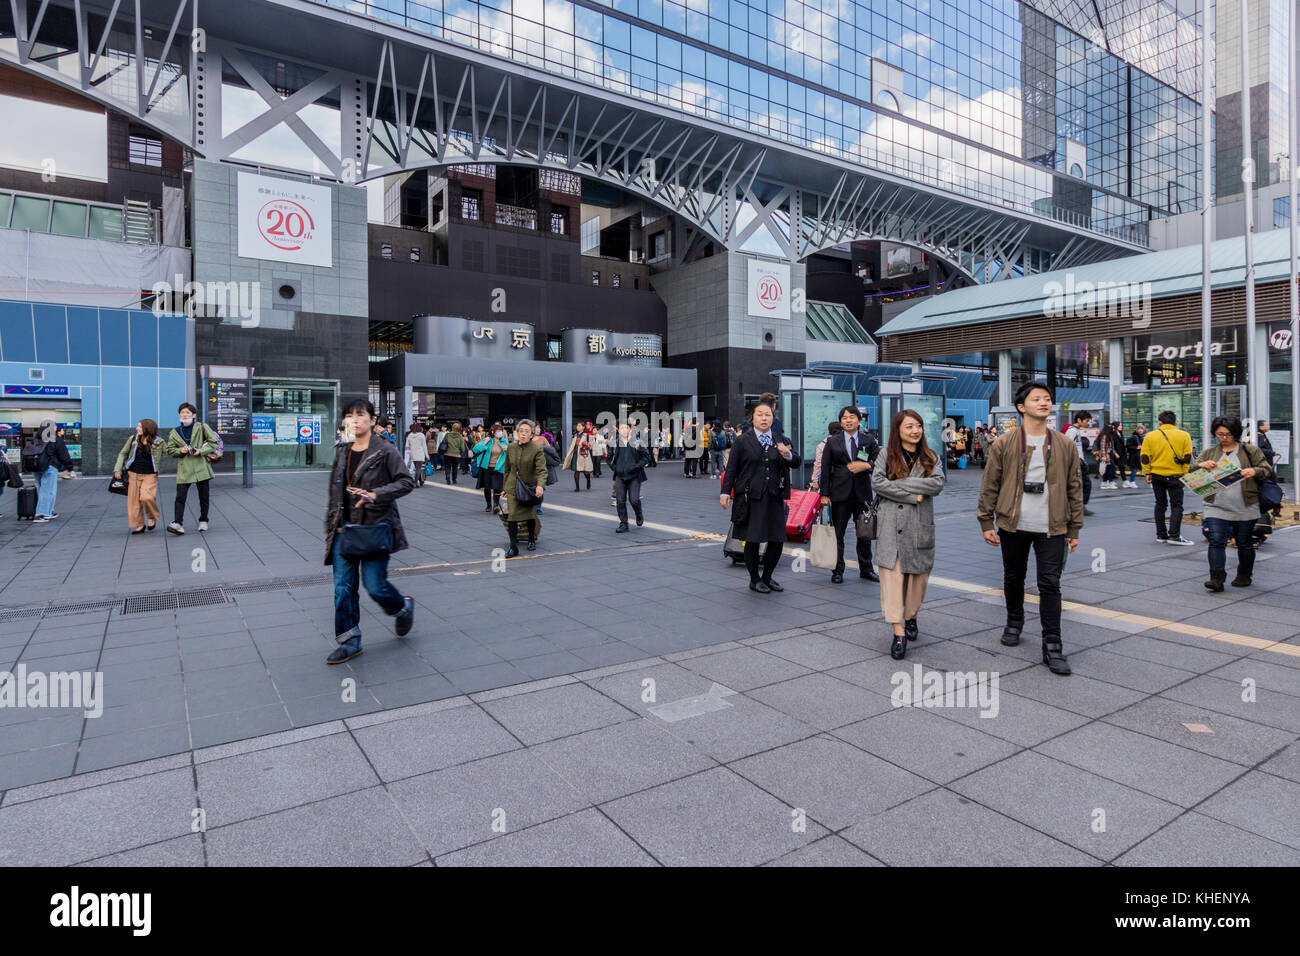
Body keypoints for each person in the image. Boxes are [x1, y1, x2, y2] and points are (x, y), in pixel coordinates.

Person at [977, 381, 1083, 676]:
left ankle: (1053, 645)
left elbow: (1075, 486)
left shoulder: (1064, 444)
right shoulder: (1004, 443)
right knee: (1013, 577)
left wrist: (1074, 528)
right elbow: (990, 485)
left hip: (1053, 525)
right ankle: (1014, 620)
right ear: (1022, 407)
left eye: (1047, 398)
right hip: (1013, 524)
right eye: (1036, 399)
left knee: (1050, 584)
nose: (1044, 402)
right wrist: (986, 521)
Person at [323, 398, 415, 664]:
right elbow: (334, 492)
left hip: (374, 527)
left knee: (375, 587)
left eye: (360, 415)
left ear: (373, 420)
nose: (354, 419)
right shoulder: (342, 451)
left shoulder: (385, 450)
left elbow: (406, 481)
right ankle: (350, 640)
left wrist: (376, 494)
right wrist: (329, 527)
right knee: (343, 588)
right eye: (349, 415)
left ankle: (401, 607)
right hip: (344, 530)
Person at [872, 409, 944, 659]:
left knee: (917, 582)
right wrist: (912, 495)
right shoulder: (886, 454)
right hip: (890, 526)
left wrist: (898, 485)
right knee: (892, 581)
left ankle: (911, 616)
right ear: (898, 430)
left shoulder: (931, 456)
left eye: (918, 426)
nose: (915, 431)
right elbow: (877, 483)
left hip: (918, 527)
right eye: (909, 426)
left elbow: (937, 484)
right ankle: (898, 631)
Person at [719, 402, 801, 593]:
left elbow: (796, 461)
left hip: (775, 495)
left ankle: (768, 577)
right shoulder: (742, 441)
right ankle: (754, 579)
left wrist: (787, 454)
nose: (764, 418)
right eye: (760, 415)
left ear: (773, 418)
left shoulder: (781, 439)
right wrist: (725, 492)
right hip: (751, 497)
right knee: (753, 539)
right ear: (753, 418)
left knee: (777, 539)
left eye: (768, 415)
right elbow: (731, 468)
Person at [1198, 416, 1271, 591]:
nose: (1224, 438)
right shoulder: (1210, 452)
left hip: (1245, 505)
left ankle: (1244, 574)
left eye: (1228, 434)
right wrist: (1201, 464)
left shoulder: (1250, 451)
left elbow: (1266, 470)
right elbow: (1190, 470)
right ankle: (1216, 577)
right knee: (1216, 540)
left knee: (1244, 542)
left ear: (1236, 434)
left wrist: (1254, 470)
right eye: (1220, 434)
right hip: (1216, 505)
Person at [822, 406, 881, 584]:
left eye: (852, 417)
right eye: (844, 418)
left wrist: (867, 465)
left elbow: (880, 462)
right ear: (840, 422)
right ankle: (837, 570)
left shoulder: (868, 440)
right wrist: (824, 494)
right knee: (837, 534)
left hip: (862, 493)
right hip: (839, 494)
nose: (848, 420)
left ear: (859, 420)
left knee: (864, 532)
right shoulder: (833, 441)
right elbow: (825, 468)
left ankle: (866, 569)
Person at [1140, 410, 1195, 546]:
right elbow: (1187, 457)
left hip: (1157, 475)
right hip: (1176, 476)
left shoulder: (1150, 436)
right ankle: (1174, 535)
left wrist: (1147, 473)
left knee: (1160, 504)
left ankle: (1161, 534)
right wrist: (1185, 473)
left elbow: (1145, 457)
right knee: (1177, 506)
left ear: (1160, 422)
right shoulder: (1184, 435)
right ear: (1175, 422)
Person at [163, 403, 217, 535]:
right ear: (179, 415)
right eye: (182, 412)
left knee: (204, 496)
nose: (184, 415)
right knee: (180, 497)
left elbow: (213, 443)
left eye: (187, 412)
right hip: (184, 468)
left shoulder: (202, 427)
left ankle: (203, 520)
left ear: (193, 415)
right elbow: (169, 450)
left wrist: (201, 451)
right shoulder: (175, 432)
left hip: (201, 467)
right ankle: (178, 523)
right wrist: (180, 450)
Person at [503, 420, 547, 556]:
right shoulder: (511, 448)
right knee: (512, 515)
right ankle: (513, 546)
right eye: (520, 431)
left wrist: (540, 486)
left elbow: (542, 470)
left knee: (530, 516)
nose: (523, 434)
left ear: (532, 434)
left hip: (529, 487)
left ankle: (531, 539)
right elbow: (507, 469)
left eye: (526, 431)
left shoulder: (536, 450)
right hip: (512, 487)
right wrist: (505, 487)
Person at [113, 419, 162, 533]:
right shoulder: (133, 439)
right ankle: (139, 525)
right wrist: (118, 469)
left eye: (140, 426)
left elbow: (170, 451)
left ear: (147, 428)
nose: (137, 428)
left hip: (150, 475)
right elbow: (123, 453)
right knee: (134, 502)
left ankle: (152, 517)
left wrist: (182, 451)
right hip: (133, 474)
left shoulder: (159, 442)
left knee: (146, 497)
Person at [610, 420, 653, 532]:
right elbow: (609, 457)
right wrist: (615, 468)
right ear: (618, 430)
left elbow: (647, 457)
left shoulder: (637, 442)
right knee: (620, 501)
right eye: (621, 428)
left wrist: (637, 466)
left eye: (626, 427)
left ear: (630, 429)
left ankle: (639, 514)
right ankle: (623, 524)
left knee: (634, 500)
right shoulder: (615, 443)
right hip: (620, 476)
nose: (624, 430)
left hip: (634, 475)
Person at [32, 421, 75, 523]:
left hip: (36, 467)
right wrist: (70, 468)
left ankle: (48, 512)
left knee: (42, 489)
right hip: (49, 467)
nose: (56, 427)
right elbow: (64, 455)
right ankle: (41, 514)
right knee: (48, 491)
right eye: (55, 425)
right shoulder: (56, 439)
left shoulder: (37, 439)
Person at [1064, 411, 1095, 516]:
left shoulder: (1076, 430)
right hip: (1077, 462)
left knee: (1082, 485)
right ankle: (1080, 507)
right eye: (1086, 420)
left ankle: (1080, 506)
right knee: (1085, 485)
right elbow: (1066, 446)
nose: (1087, 423)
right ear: (1079, 420)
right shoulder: (1072, 431)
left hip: (1080, 461)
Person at [474, 423, 509, 512]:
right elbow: (475, 449)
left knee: (498, 487)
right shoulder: (488, 440)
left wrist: (508, 450)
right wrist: (484, 443)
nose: (500, 433)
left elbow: (511, 453)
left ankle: (496, 505)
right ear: (493, 432)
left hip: (499, 468)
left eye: (501, 431)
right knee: (487, 487)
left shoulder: (504, 441)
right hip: (486, 467)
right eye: (498, 431)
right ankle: (489, 505)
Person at [808, 421, 842, 492]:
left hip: (827, 477)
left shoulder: (822, 445)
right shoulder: (844, 442)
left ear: (829, 430)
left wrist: (815, 480)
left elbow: (818, 463)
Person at [562, 424, 594, 491]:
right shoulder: (575, 435)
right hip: (576, 455)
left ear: (583, 427)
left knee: (586, 472)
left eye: (579, 426)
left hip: (583, 455)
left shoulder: (587, 435)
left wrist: (585, 446)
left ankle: (588, 480)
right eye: (577, 426)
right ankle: (577, 487)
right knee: (577, 471)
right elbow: (572, 446)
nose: (577, 427)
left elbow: (591, 445)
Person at [406, 422, 429, 487]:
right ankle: (415, 483)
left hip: (413, 454)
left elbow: (407, 445)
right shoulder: (421, 435)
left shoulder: (410, 435)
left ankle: (420, 481)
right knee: (418, 468)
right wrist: (427, 455)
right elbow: (424, 446)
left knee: (417, 468)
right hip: (420, 454)